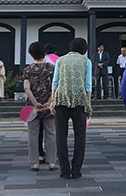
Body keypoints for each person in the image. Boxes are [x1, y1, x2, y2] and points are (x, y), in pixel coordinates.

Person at [50, 38, 93, 179]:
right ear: (84, 49)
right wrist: (89, 105)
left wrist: (52, 102)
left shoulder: (60, 60)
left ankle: (64, 170)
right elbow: (87, 85)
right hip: (80, 100)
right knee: (80, 136)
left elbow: (55, 82)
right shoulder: (86, 62)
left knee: (61, 136)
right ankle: (76, 170)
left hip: (61, 99)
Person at [23, 41, 57, 171]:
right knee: (51, 133)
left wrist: (35, 102)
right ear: (44, 53)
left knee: (33, 134)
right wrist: (49, 101)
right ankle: (52, 162)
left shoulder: (28, 69)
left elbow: (26, 88)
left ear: (31, 54)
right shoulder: (51, 68)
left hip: (32, 107)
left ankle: (34, 162)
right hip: (49, 106)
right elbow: (56, 86)